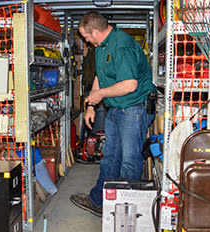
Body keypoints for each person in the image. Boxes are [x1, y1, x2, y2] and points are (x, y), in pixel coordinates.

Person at [70, 11, 156, 217]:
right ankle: (99, 201)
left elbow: (129, 84)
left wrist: (100, 94)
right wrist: (91, 104)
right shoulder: (100, 47)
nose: (86, 40)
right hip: (116, 108)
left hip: (134, 107)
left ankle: (126, 211)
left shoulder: (122, 46)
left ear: (97, 32)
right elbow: (101, 76)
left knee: (129, 160)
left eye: (87, 37)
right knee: (109, 157)